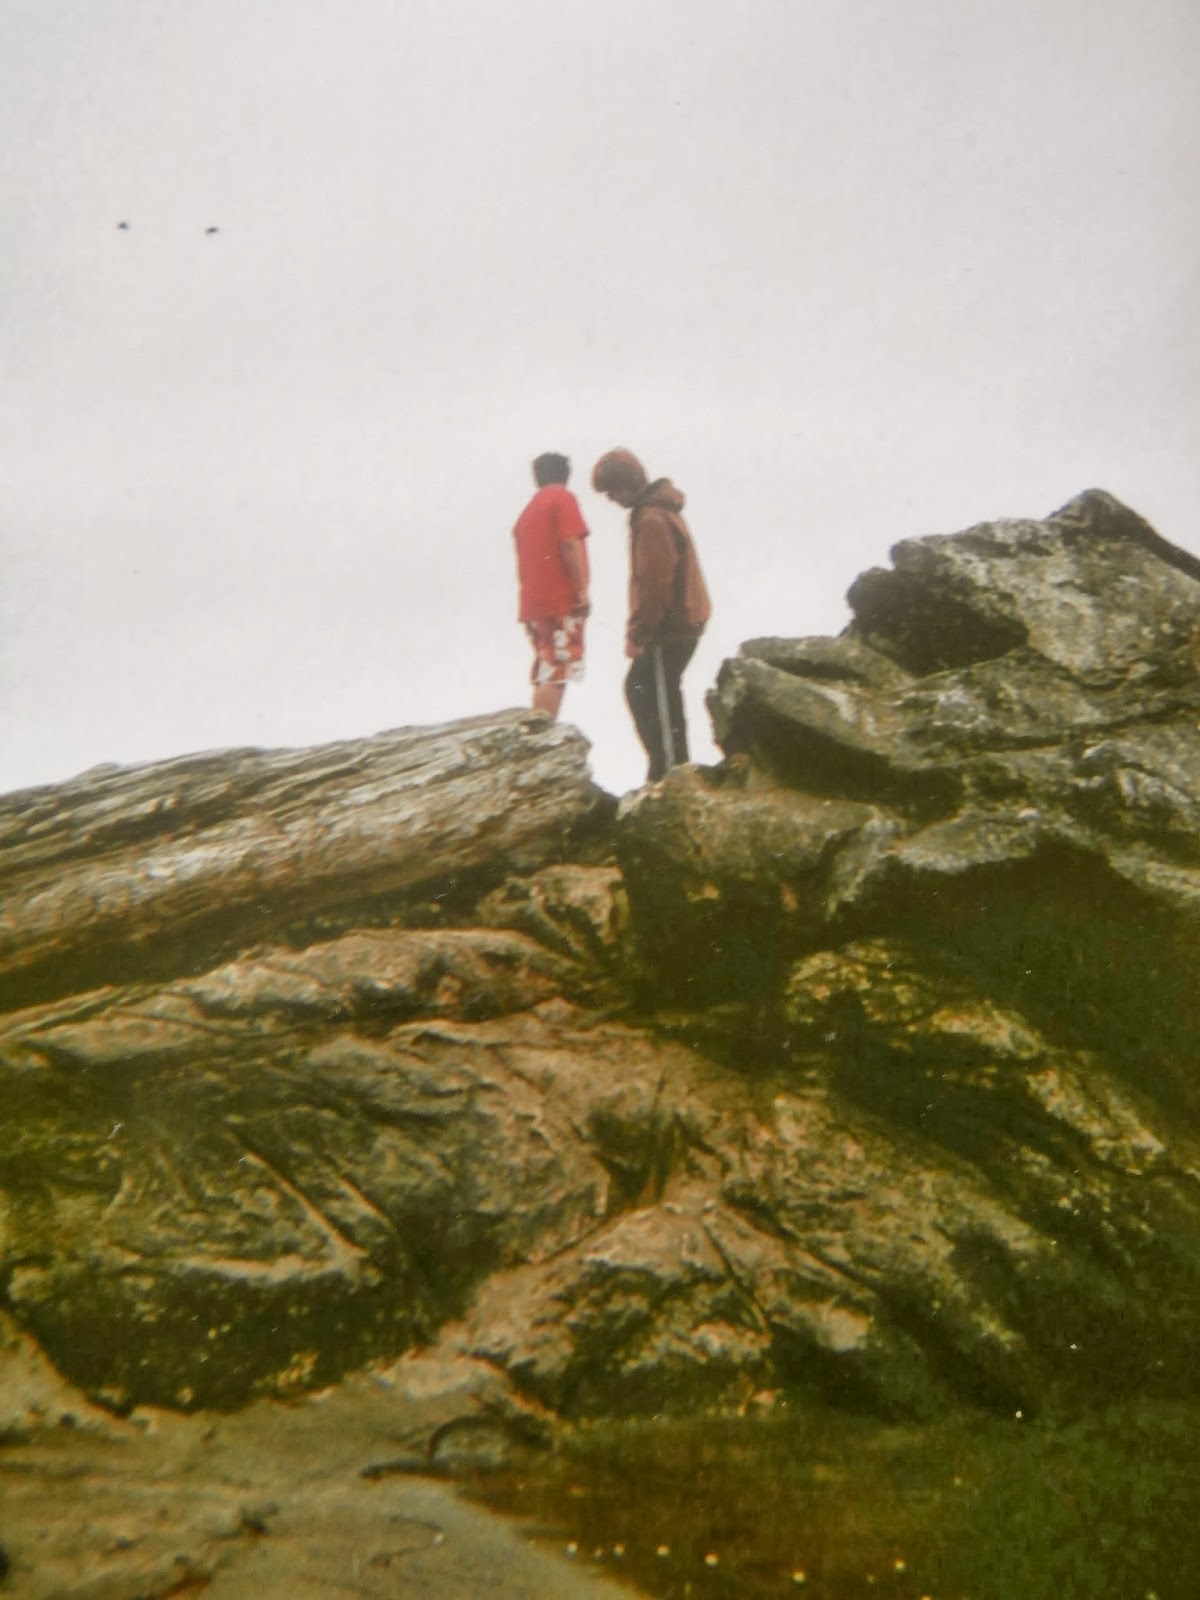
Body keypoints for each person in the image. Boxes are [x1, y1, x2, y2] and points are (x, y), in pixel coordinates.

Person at [591, 447, 712, 782]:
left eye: (612, 491)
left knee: (651, 692)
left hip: (670, 626)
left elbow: (654, 584)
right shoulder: (656, 511)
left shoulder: (651, 519)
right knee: (652, 690)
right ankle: (667, 767)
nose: (611, 499)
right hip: (680, 620)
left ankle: (672, 774)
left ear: (626, 484)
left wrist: (639, 634)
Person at [512, 452, 590, 718]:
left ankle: (537, 727)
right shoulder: (563, 499)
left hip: (534, 605)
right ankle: (542, 733)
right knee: (558, 669)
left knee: (546, 666)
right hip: (561, 602)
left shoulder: (527, 513)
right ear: (566, 475)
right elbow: (569, 543)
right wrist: (581, 591)